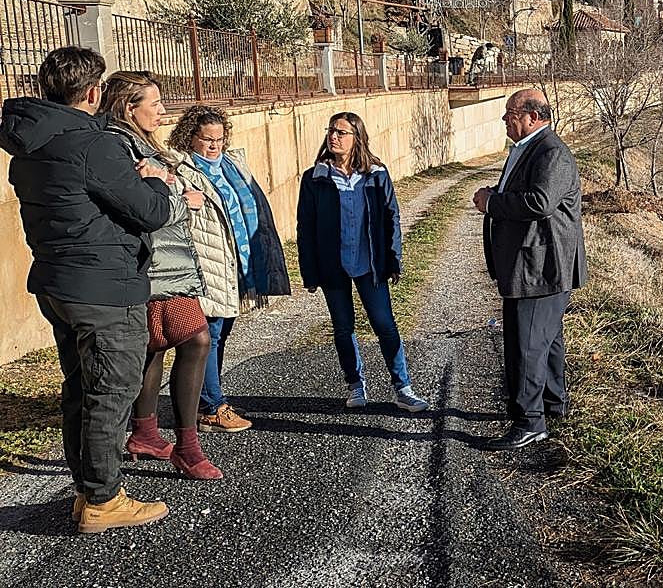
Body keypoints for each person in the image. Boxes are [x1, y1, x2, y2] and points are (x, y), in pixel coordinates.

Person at [0, 47, 172, 532]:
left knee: (81, 387)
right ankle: (102, 499)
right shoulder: (92, 144)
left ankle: (87, 488)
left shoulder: (30, 143)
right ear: (94, 91)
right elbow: (150, 212)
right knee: (111, 392)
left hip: (59, 282)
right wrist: (155, 180)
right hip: (104, 287)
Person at [99, 71, 222, 481]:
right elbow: (141, 206)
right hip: (155, 265)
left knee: (156, 346)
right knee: (196, 339)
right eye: (154, 104)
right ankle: (187, 446)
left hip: (163, 263)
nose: (163, 110)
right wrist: (181, 197)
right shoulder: (119, 145)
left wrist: (165, 185)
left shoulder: (137, 143)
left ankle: (146, 433)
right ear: (128, 108)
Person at [473, 88, 587, 451]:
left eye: (510, 113)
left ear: (533, 117)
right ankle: (554, 405)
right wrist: (500, 192)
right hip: (534, 265)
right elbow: (528, 193)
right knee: (546, 340)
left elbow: (539, 203)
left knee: (526, 347)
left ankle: (529, 423)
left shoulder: (551, 152)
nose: (505, 119)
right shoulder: (530, 148)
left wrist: (492, 202)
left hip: (539, 268)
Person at [166, 105, 291, 434]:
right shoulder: (181, 170)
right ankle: (211, 405)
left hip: (237, 262)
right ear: (190, 137)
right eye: (207, 139)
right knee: (208, 335)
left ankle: (208, 399)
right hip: (208, 263)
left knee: (221, 334)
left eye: (219, 139)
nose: (214, 146)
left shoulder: (234, 165)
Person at [296, 112, 428, 412]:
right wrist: (310, 271)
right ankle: (355, 386)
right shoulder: (315, 178)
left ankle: (402, 387)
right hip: (333, 264)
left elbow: (391, 217)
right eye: (331, 131)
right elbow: (305, 226)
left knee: (384, 324)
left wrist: (394, 259)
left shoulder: (376, 174)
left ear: (357, 138)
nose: (334, 137)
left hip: (370, 263)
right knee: (343, 326)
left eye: (342, 132)